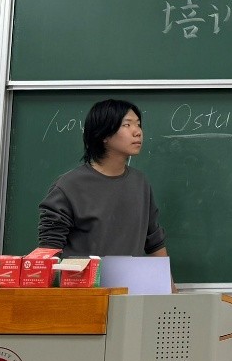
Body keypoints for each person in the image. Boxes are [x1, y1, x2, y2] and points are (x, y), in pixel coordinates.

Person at [31, 99, 168, 259]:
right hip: (82, 275)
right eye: (127, 125)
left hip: (129, 276)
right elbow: (49, 250)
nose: (137, 132)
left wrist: (167, 276)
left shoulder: (140, 183)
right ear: (104, 134)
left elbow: (154, 240)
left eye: (138, 124)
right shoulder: (69, 186)